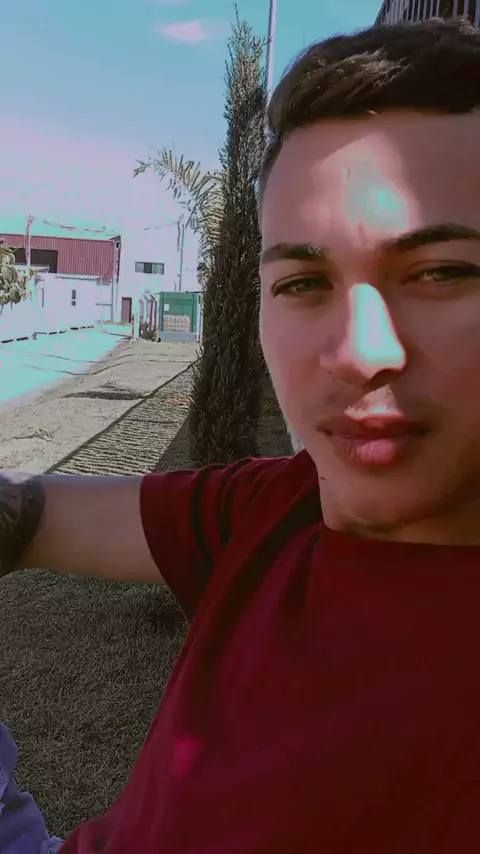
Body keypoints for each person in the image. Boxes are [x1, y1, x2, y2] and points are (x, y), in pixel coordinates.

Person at [2, 15, 480, 854]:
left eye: (440, 271)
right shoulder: (281, 502)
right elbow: (32, 516)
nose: (359, 351)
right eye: (301, 281)